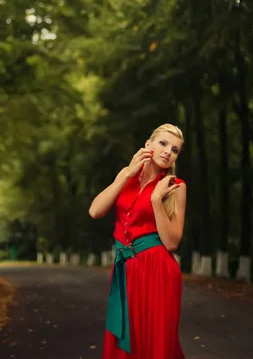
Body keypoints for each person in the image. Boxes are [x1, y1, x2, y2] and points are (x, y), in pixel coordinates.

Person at [89, 123, 186, 359]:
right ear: (148, 145)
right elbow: (95, 211)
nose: (167, 152)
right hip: (125, 268)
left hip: (158, 270)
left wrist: (156, 201)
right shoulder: (127, 175)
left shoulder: (175, 187)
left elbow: (172, 243)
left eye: (174, 150)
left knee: (156, 342)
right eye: (163, 143)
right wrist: (127, 174)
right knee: (125, 336)